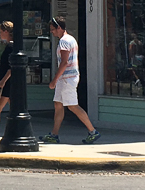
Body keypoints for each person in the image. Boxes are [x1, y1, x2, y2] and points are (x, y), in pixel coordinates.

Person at [40, 16, 100, 144]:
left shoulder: (64, 41)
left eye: (53, 29)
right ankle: (54, 134)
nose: (52, 32)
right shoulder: (71, 39)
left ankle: (92, 131)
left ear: (59, 28)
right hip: (66, 78)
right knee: (58, 104)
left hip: (67, 78)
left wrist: (54, 80)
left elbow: (64, 62)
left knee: (72, 106)